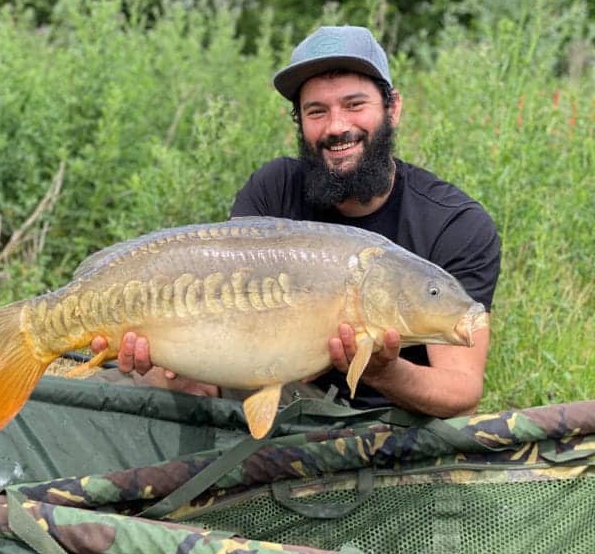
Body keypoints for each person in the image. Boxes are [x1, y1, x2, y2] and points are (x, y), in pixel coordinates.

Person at [92, 26, 501, 418]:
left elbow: (461, 391)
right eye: (316, 111)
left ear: (392, 108)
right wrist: (179, 366)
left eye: (355, 104)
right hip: (274, 391)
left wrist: (382, 371)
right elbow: (235, 322)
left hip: (389, 426)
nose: (337, 126)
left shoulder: (455, 224)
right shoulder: (276, 188)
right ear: (300, 123)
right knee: (140, 384)